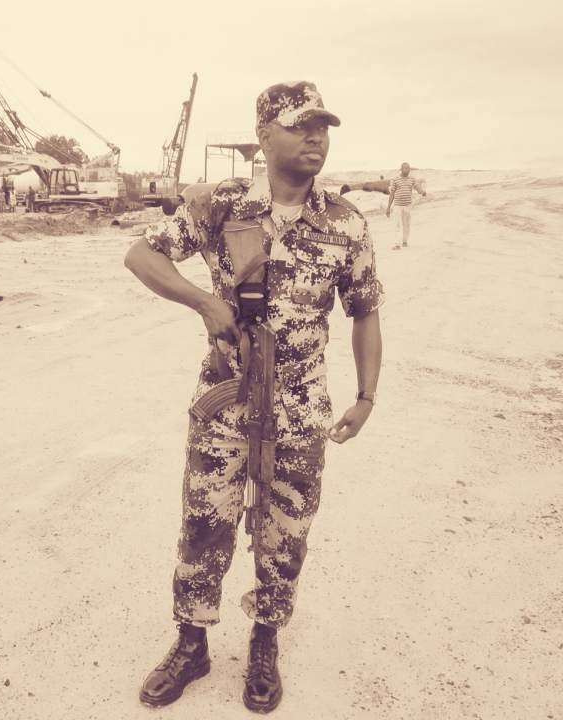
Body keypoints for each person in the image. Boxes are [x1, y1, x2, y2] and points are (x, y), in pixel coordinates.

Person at [124, 80, 384, 714]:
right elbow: (140, 256)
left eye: (322, 127)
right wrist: (204, 302)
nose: (315, 137)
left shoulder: (345, 223)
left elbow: (365, 312)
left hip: (301, 411)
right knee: (204, 523)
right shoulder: (219, 205)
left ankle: (265, 642)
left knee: (286, 531)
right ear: (264, 135)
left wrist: (366, 396)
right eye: (300, 125)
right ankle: (192, 644)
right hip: (226, 403)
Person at [386, 162, 426, 249]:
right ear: (401, 169)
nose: (407, 170)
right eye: (405, 168)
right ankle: (397, 244)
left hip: (408, 205)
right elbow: (392, 194)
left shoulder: (412, 179)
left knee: (406, 225)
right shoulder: (395, 179)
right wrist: (388, 207)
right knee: (396, 225)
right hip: (397, 206)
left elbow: (417, 188)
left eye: (408, 168)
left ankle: (404, 241)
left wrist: (422, 192)